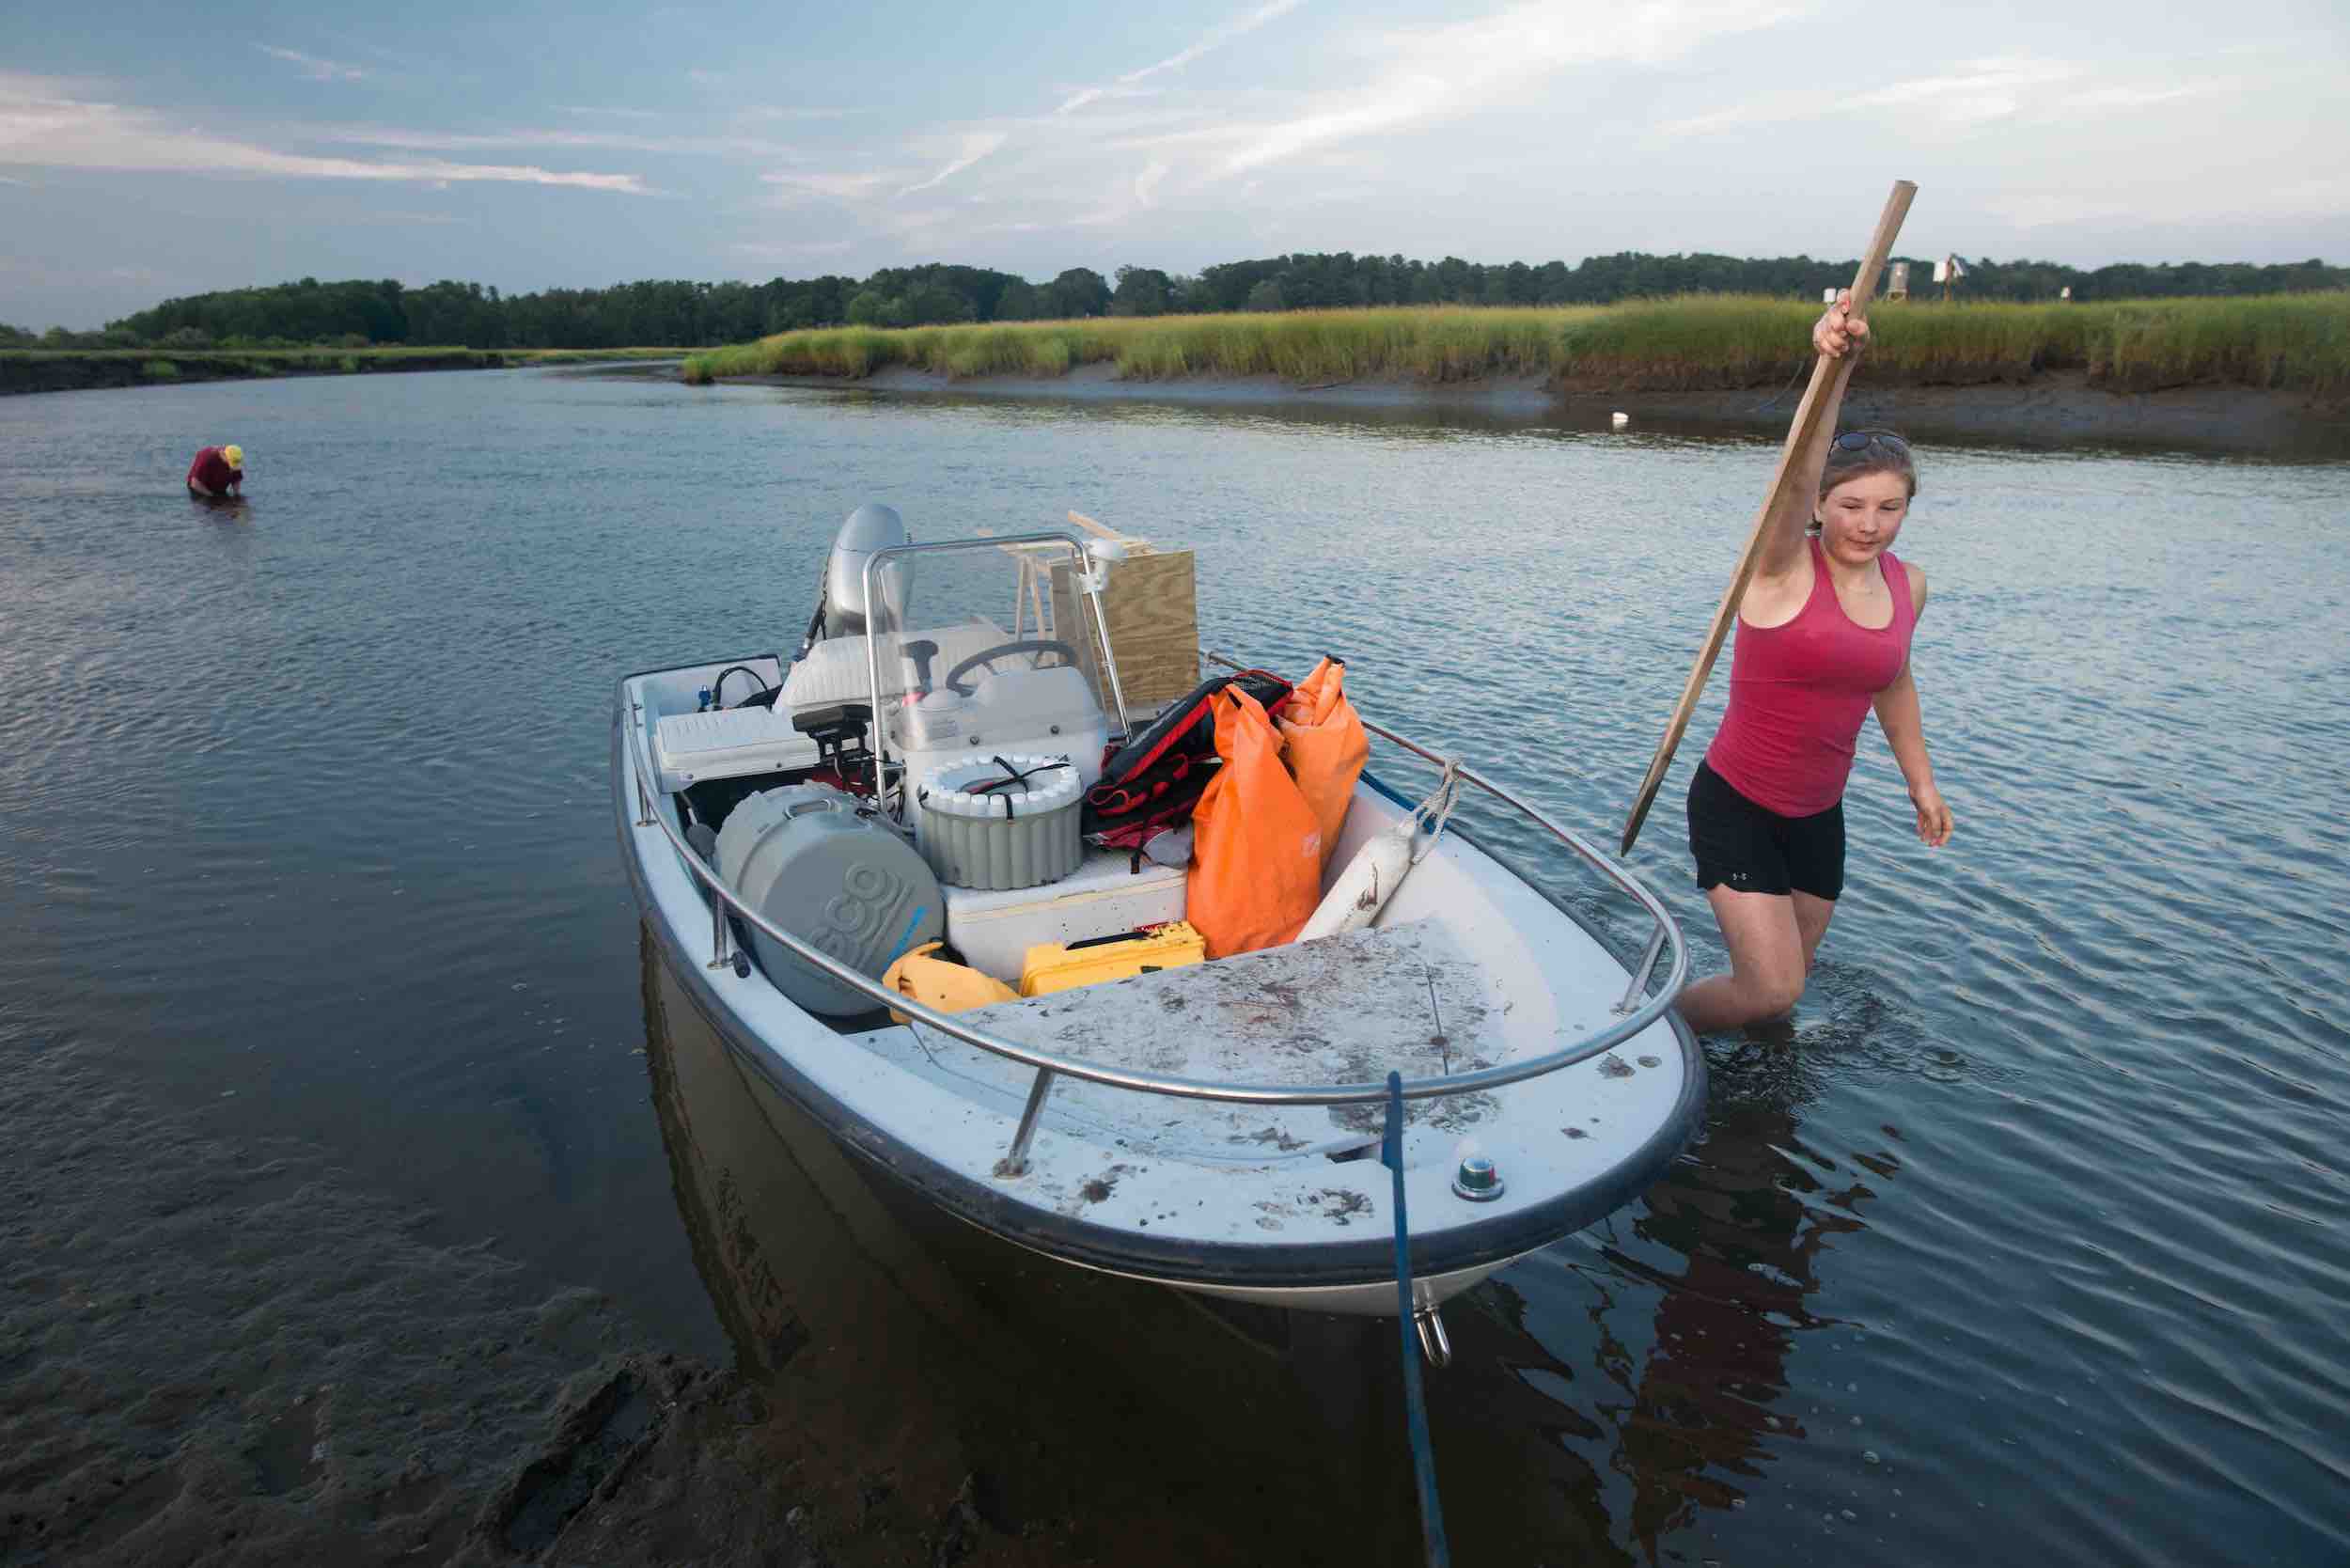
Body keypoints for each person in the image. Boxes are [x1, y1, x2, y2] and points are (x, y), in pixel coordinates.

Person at [1675, 290, 1953, 1036]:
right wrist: (1832, 367)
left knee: (1780, 989)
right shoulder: (1777, 569)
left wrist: (1921, 784)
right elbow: (1796, 470)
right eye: (1852, 504)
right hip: (1736, 806)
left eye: (1889, 508)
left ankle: (1751, 1103)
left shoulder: (1908, 585)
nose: (1869, 524)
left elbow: (1891, 680)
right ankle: (1650, 1032)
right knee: (1771, 991)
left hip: (1818, 816)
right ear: (1822, 506)